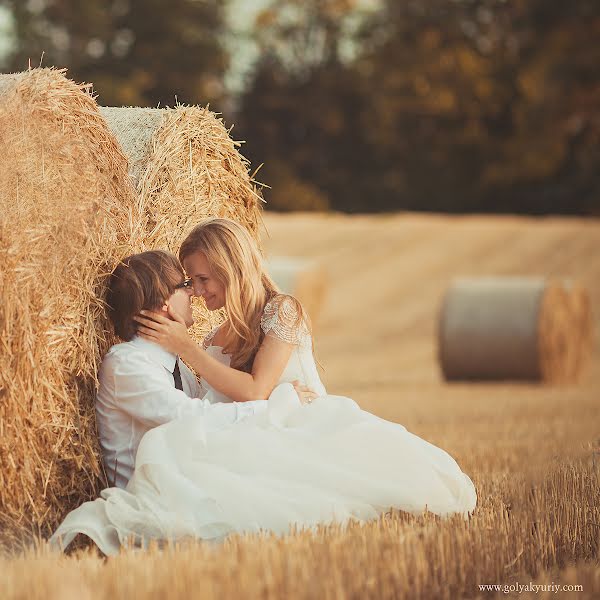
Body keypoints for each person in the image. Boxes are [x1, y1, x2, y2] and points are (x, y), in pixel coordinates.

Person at [51, 218, 477, 555]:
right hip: (248, 438)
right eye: (190, 283)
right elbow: (197, 408)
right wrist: (190, 349)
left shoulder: (282, 311)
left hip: (299, 431)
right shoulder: (210, 339)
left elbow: (256, 390)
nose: (196, 292)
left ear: (230, 269)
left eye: (202, 280)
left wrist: (185, 348)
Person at [94, 250, 315, 490]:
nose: (193, 293)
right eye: (184, 285)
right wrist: (276, 405)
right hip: (147, 494)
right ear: (163, 302)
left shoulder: (177, 366)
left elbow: (212, 426)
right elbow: (193, 418)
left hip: (179, 482)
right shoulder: (126, 364)